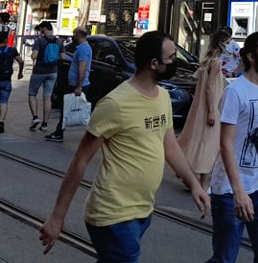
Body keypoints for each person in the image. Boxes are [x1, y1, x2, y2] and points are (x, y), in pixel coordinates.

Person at [40, 31, 210, 261]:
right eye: (171, 58)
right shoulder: (115, 104)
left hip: (143, 211)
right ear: (153, 63)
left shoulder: (161, 96)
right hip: (113, 214)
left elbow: (170, 145)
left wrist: (194, 184)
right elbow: (80, 160)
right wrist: (57, 217)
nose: (175, 63)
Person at [206, 31, 258, 263]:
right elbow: (225, 143)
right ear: (251, 56)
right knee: (225, 258)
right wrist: (238, 191)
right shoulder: (235, 91)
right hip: (229, 188)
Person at [179, 27, 230, 188]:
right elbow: (209, 87)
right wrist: (212, 111)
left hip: (201, 106)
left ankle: (190, 176)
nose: (230, 46)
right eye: (227, 42)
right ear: (222, 44)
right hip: (210, 106)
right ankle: (203, 184)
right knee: (208, 143)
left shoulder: (207, 60)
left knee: (198, 140)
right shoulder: (215, 62)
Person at [47, 27, 92, 142]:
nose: (73, 37)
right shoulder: (83, 48)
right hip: (76, 83)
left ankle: (59, 133)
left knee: (65, 108)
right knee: (65, 107)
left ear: (79, 35)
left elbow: (82, 69)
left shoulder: (83, 50)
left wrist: (78, 86)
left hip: (77, 85)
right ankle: (59, 131)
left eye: (74, 34)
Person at [28, 21, 62, 132]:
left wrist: (33, 54)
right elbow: (63, 57)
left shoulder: (40, 41)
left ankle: (35, 117)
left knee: (32, 94)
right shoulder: (59, 41)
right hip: (53, 72)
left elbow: (34, 56)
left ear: (44, 29)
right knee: (47, 96)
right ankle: (45, 124)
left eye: (40, 29)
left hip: (39, 71)